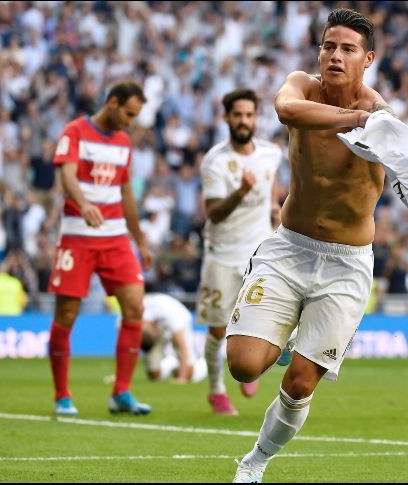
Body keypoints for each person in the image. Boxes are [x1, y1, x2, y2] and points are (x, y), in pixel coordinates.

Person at [226, 8, 391, 482]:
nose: (335, 56)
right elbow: (285, 110)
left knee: (298, 384)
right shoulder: (301, 86)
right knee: (243, 366)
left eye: (348, 49)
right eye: (328, 46)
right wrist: (357, 118)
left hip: (345, 265)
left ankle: (254, 463)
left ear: (368, 59)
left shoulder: (384, 119)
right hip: (289, 248)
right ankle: (281, 336)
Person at [47, 81, 153, 416]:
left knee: (134, 307)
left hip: (115, 237)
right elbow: (66, 176)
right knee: (66, 315)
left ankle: (121, 391)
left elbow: (125, 194)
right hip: (78, 236)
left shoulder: (123, 142)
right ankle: (62, 395)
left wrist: (140, 239)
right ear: (112, 102)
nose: (130, 122)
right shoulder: (75, 131)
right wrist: (83, 204)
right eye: (128, 113)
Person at [198, 88, 283, 415]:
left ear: (255, 117)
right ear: (227, 118)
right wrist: (242, 191)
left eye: (249, 115)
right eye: (238, 115)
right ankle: (216, 390)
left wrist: (275, 206)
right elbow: (214, 212)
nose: (244, 121)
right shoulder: (215, 161)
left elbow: (272, 184)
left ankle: (251, 366)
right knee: (218, 329)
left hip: (258, 253)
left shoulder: (270, 153)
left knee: (260, 318)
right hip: (222, 254)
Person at [130, 293, 207, 384]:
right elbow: (128, 349)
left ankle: (205, 364)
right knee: (154, 375)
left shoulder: (173, 318)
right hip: (156, 326)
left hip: (180, 316)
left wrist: (181, 378)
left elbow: (182, 347)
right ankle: (171, 361)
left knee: (189, 374)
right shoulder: (133, 319)